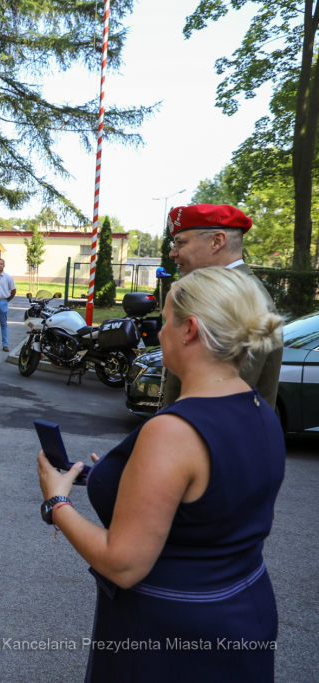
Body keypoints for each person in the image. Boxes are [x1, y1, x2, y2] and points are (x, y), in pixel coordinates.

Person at [37, 266, 285, 682]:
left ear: (189, 330)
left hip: (172, 634)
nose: (159, 330)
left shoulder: (173, 432)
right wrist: (133, 477)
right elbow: (217, 498)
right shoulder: (260, 408)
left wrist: (56, 502)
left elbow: (123, 564)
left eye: (167, 319)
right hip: (244, 613)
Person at [161, 204, 282, 410]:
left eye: (180, 243)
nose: (173, 254)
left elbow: (220, 403)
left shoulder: (243, 302)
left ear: (217, 241)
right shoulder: (224, 294)